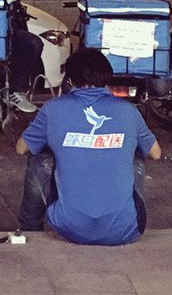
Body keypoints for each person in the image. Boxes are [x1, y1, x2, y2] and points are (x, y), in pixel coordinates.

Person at [16, 49, 161, 245]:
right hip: (126, 229)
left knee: (38, 157)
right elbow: (155, 153)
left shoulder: (53, 108)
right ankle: (121, 212)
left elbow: (21, 148)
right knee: (136, 154)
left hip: (69, 227)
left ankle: (29, 227)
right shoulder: (129, 111)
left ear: (70, 80)